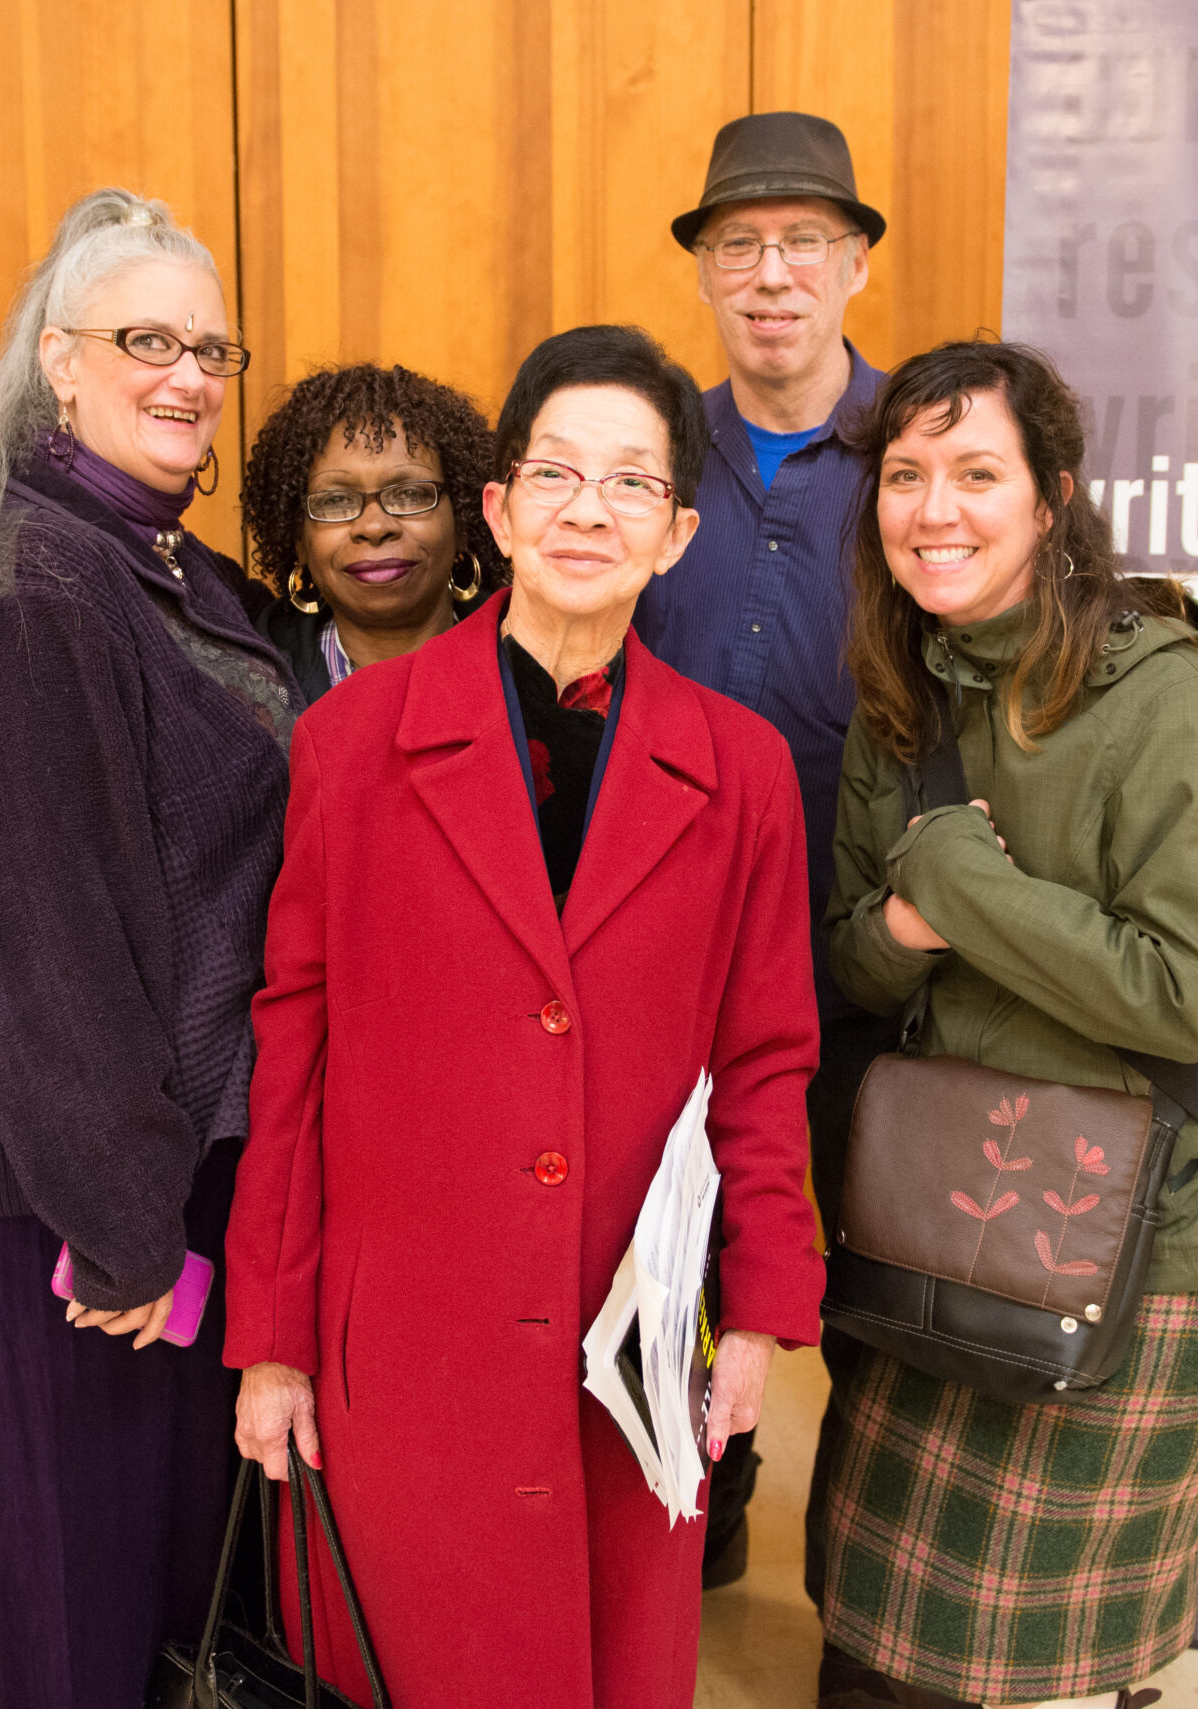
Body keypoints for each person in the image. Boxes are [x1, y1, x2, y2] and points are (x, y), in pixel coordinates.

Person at [224, 325, 827, 1709]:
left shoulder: (741, 771)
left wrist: (757, 1311)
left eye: (629, 485)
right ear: (497, 510)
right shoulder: (353, 741)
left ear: (675, 534)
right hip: (407, 1344)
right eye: (556, 473)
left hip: (629, 1340)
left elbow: (767, 1057)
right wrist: (270, 1336)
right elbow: (295, 1047)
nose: (587, 510)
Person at [808, 342, 1198, 1709]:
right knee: (876, 1646)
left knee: (1056, 1672)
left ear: (1051, 495)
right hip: (948, 1211)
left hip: (1152, 1232)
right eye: (905, 475)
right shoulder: (901, 699)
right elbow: (856, 962)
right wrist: (905, 930)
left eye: (976, 472)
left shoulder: (1161, 693)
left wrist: (959, 883)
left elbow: (1187, 990)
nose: (934, 508)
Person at [0, 188, 293, 1709]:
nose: (188, 374)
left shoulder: (164, 564)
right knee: (86, 1612)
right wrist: (129, 1223)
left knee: (177, 1598)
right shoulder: (30, 588)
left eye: (212, 346)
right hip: (88, 1199)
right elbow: (32, 940)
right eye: (149, 339)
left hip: (178, 1164)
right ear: (58, 363)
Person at [632, 109, 889, 1586]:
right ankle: (692, 1531)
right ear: (707, 274)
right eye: (739, 245)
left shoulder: (919, 453)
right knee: (674, 1256)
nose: (771, 273)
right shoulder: (653, 448)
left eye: (804, 242)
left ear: (855, 263)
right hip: (667, 952)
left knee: (866, 1288)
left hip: (864, 951)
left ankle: (866, 1608)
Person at [242, 362, 506, 703]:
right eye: (335, 500)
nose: (375, 527)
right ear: (299, 540)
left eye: (410, 495)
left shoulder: (532, 669)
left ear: (463, 520)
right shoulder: (250, 694)